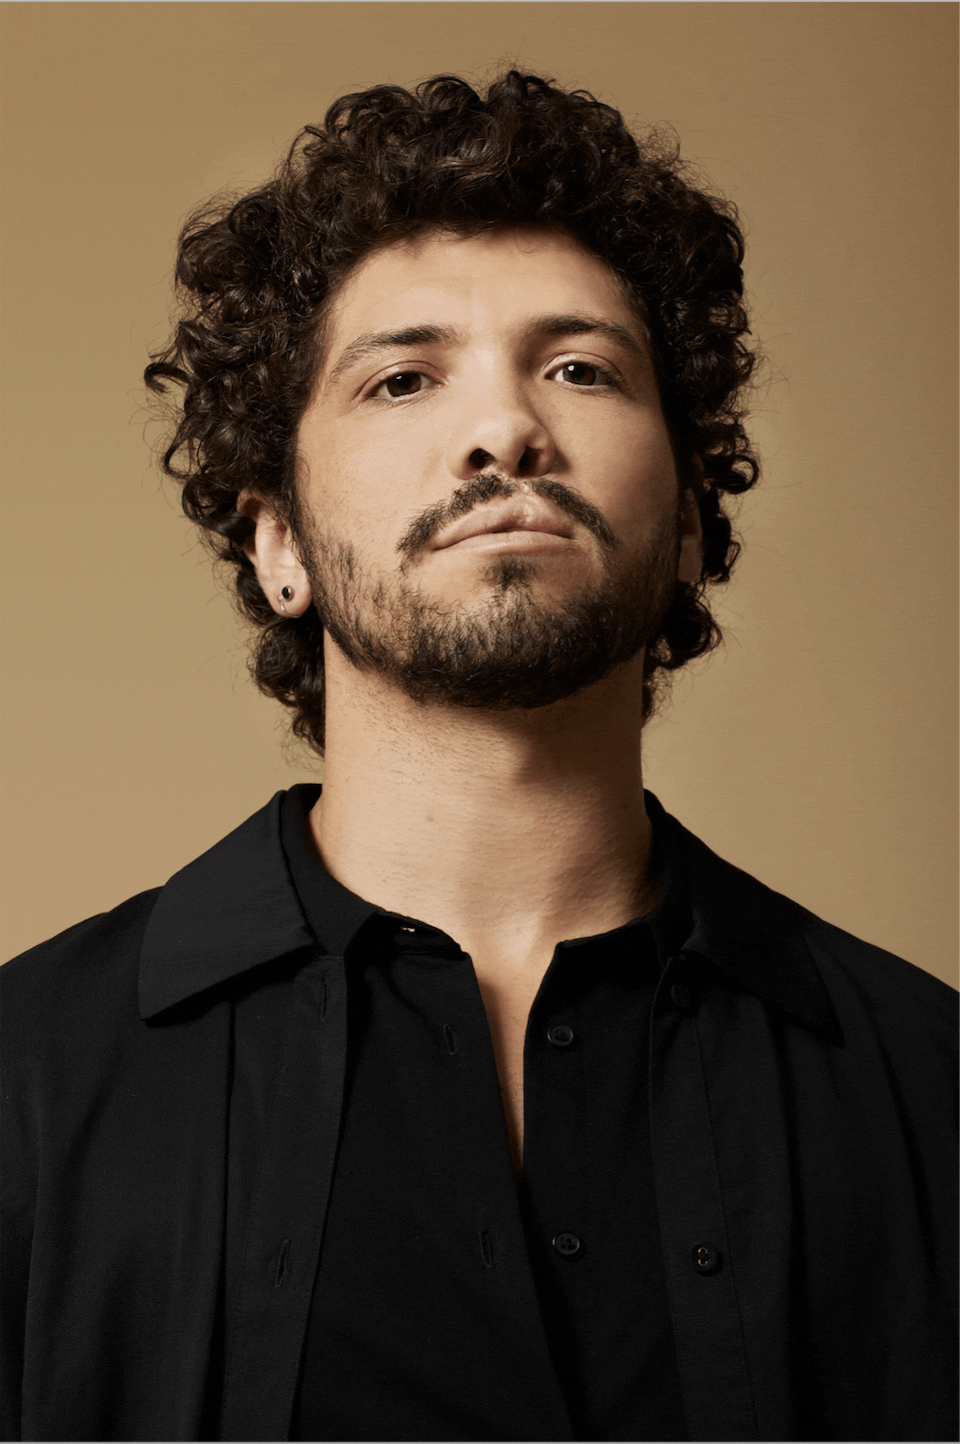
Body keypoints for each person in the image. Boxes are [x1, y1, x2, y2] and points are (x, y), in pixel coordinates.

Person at [1, 70, 955, 1444]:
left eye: (580, 369)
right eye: (403, 379)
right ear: (278, 542)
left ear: (691, 523)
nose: (504, 430)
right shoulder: (27, 1085)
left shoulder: (928, 1089)